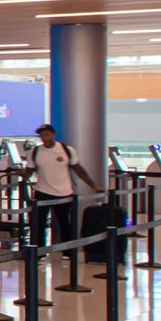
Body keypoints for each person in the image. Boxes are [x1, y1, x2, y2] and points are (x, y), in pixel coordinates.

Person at [22, 122, 101, 289]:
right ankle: (39, 253)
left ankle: (68, 252)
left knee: (65, 223)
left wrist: (93, 185)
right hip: (42, 191)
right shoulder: (35, 152)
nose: (44, 138)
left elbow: (78, 169)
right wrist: (22, 174)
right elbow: (30, 171)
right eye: (42, 135)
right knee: (38, 224)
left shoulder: (66, 150)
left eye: (47, 134)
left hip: (64, 192)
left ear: (53, 134)